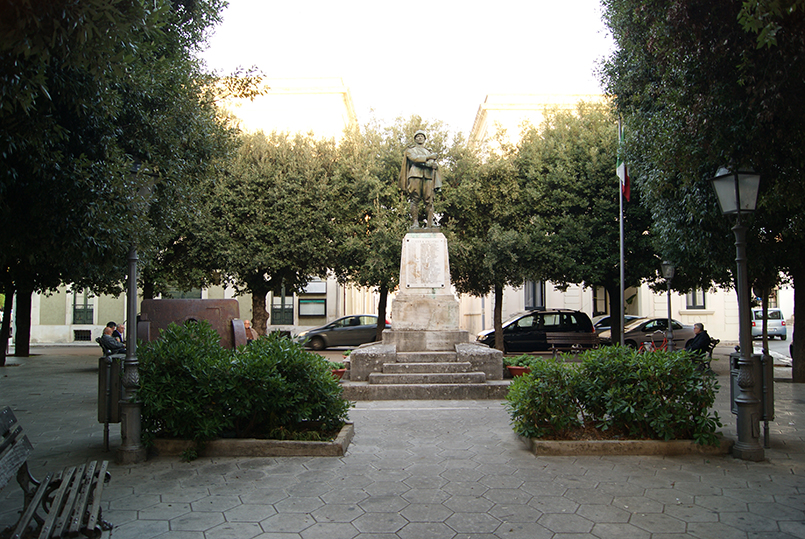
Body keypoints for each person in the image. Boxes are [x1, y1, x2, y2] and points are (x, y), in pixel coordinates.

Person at [399, 130, 442, 228]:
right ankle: (415, 223)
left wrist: (432, 164)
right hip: (415, 175)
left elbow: (430, 162)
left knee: (429, 200)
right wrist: (429, 158)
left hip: (428, 176)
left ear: (425, 139)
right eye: (417, 136)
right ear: (415, 139)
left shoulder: (428, 151)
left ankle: (430, 222)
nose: (419, 138)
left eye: (421, 136)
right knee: (415, 199)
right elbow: (414, 159)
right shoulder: (411, 150)